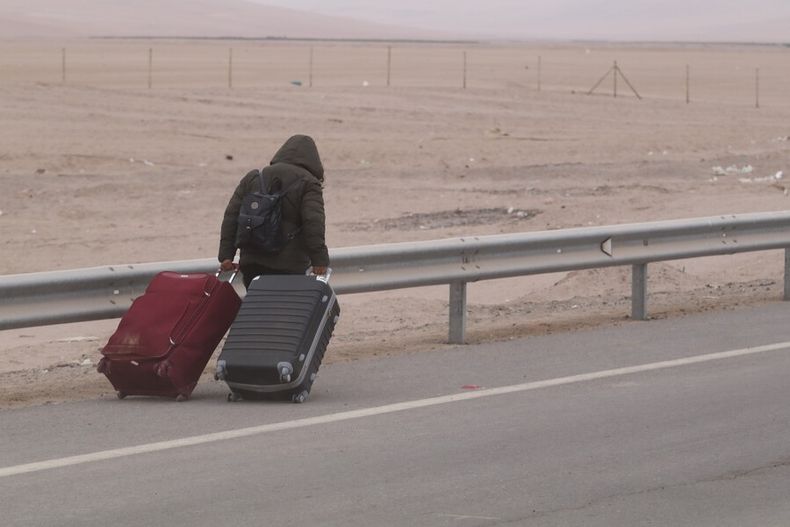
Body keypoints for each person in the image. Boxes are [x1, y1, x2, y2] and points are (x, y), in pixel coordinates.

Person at [218, 134, 329, 289]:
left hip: (252, 262)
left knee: (259, 308)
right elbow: (313, 223)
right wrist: (319, 260)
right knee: (283, 310)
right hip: (289, 264)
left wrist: (226, 256)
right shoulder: (309, 183)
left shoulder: (254, 177)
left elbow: (231, 217)